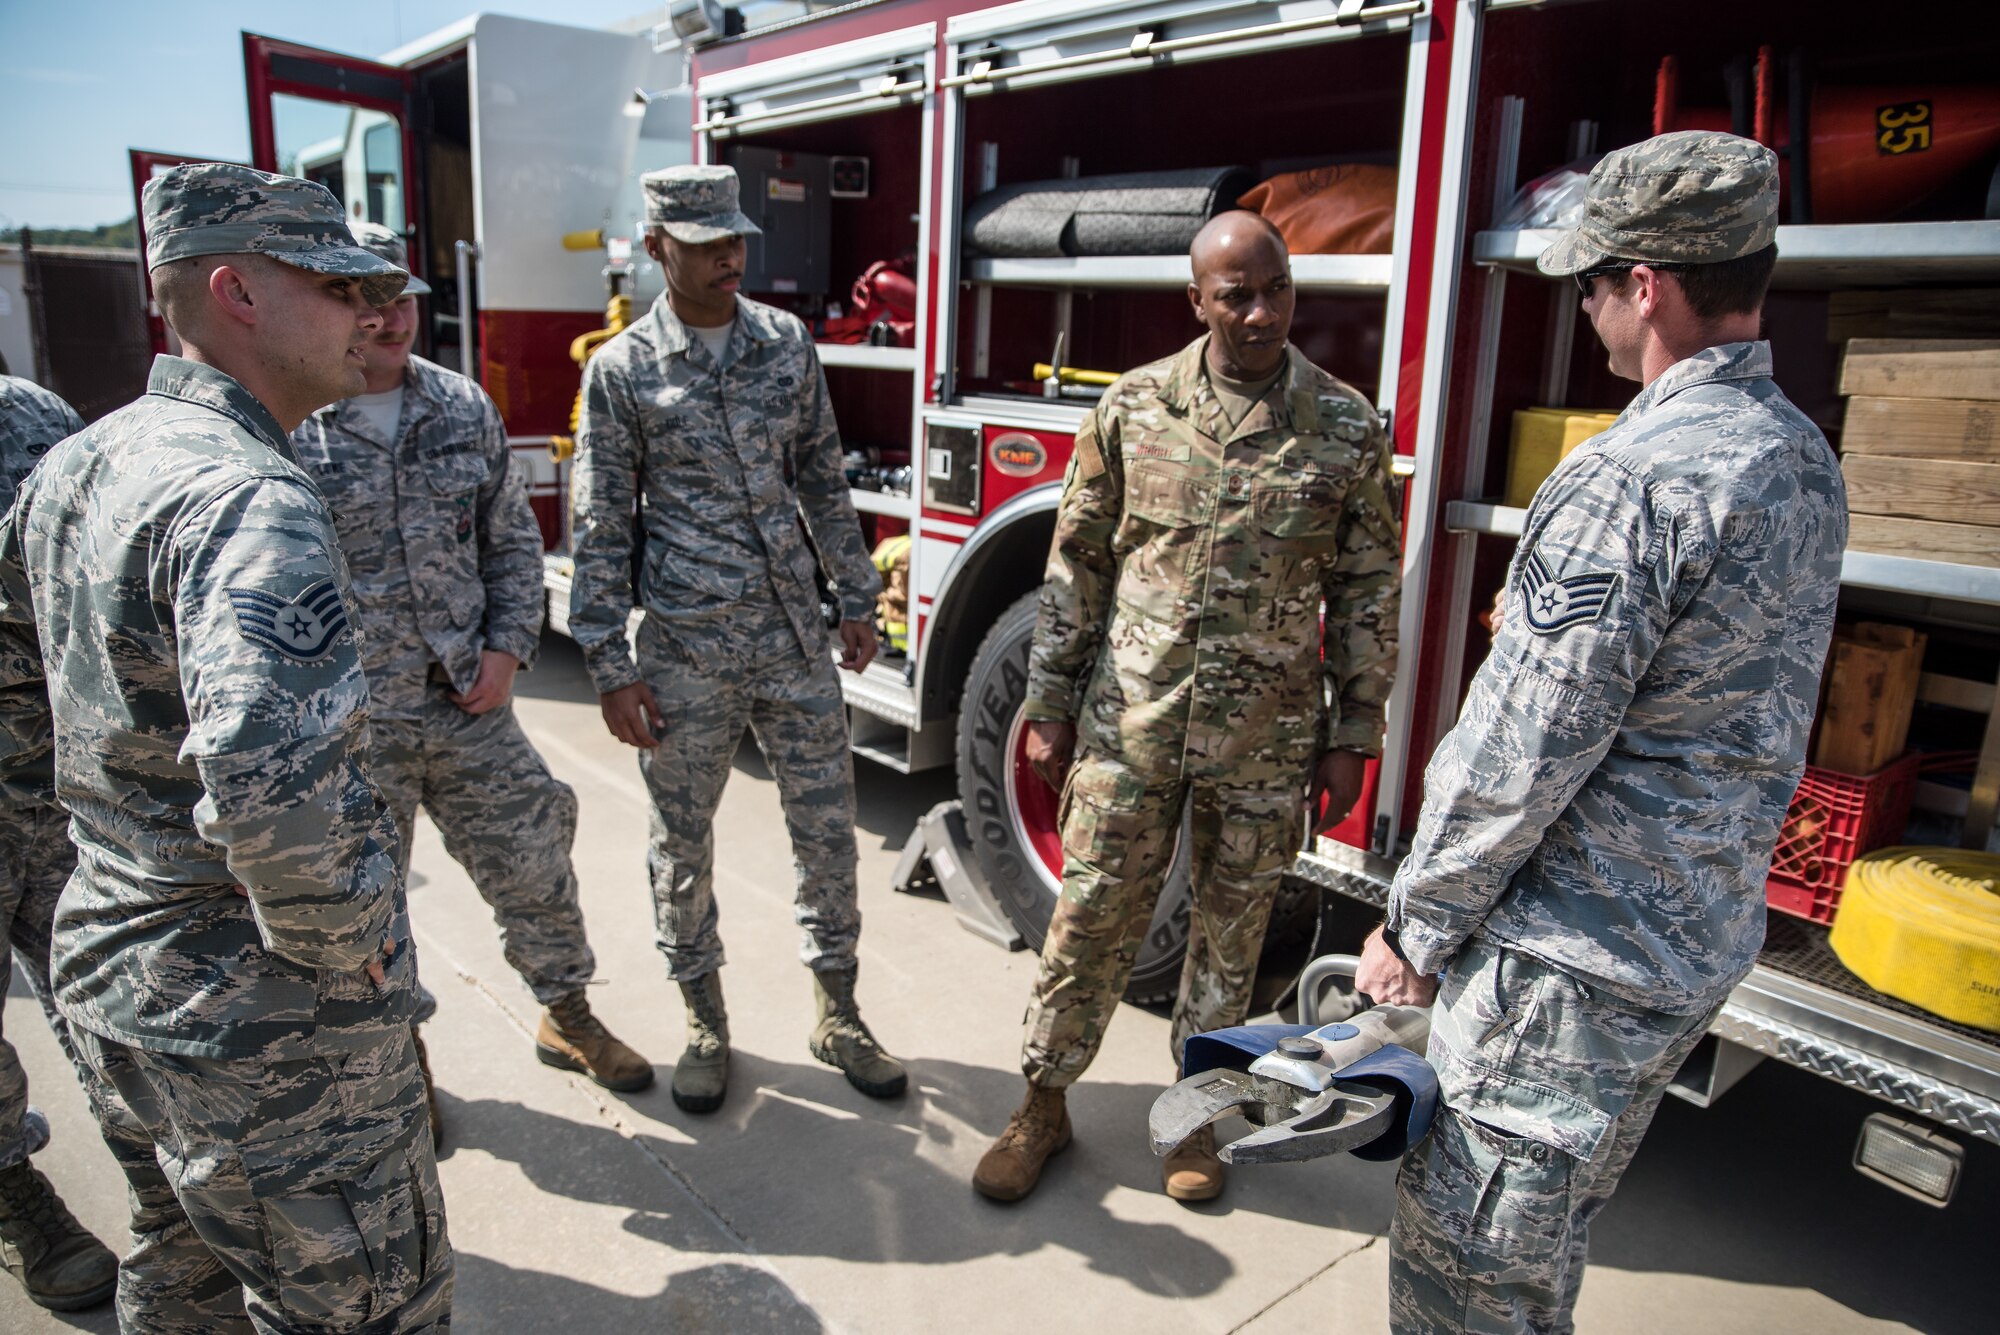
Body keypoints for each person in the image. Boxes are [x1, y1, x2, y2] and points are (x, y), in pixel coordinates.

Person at [1358, 132, 1846, 1335]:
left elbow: (1523, 747)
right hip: (1681, 942)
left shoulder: (1632, 473)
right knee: (1541, 1243)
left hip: (1568, 961)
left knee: (1468, 1286)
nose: (1582, 309)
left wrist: (1413, 925)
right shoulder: (1796, 454)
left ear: (1647, 286)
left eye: (1589, 282)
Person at [0, 163, 453, 1332]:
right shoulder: (248, 495)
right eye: (336, 284)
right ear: (234, 293)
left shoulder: (83, 458)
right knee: (363, 1309)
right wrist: (350, 945)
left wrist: (110, 845)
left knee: (184, 1261)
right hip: (262, 1026)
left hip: (115, 973)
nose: (371, 312)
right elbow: (272, 784)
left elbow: (15, 681)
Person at [973, 211, 1403, 1204]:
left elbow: (1369, 587)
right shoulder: (1130, 411)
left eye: (1275, 291)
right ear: (1195, 301)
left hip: (1265, 744)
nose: (1258, 314)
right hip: (1132, 725)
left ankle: (1194, 1117)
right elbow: (1075, 571)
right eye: (1234, 295)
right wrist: (1047, 702)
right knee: (1088, 921)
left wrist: (1353, 733)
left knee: (1230, 934)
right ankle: (1040, 1104)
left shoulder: (1342, 426)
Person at [293, 222, 652, 1131]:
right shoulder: (291, 423)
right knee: (364, 908)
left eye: (403, 298)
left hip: (466, 699)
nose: (390, 319)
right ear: (329, 308)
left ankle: (565, 1013)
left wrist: (507, 646)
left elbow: (510, 538)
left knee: (535, 857)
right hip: (354, 723)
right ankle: (396, 1062)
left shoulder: (459, 406)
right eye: (366, 303)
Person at [569, 164, 905, 1115]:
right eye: (706, 241)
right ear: (656, 248)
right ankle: (704, 1019)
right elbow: (601, 526)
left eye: (736, 238)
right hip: (684, 648)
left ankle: (836, 1011)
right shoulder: (625, 371)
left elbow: (821, 478)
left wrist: (854, 594)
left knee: (828, 834)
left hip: (793, 639)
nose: (730, 255)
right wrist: (609, 663)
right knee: (682, 842)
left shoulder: (785, 344)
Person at [0, 375, 119, 1312]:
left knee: (114, 1004)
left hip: (54, 785)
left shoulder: (34, 415)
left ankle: (169, 1189)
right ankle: (14, 1194)